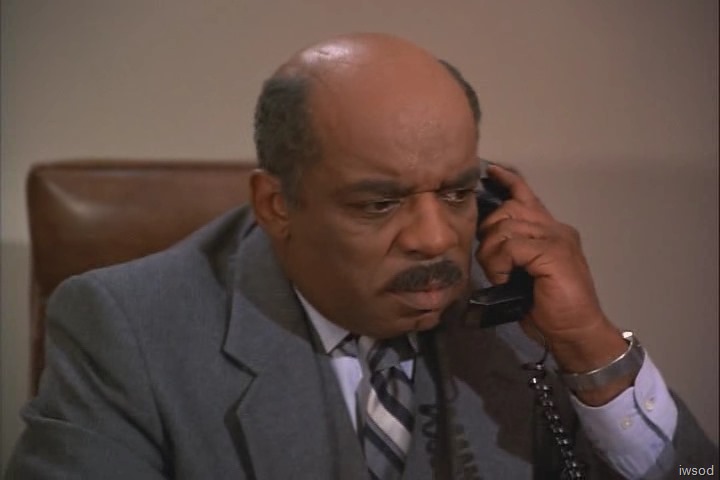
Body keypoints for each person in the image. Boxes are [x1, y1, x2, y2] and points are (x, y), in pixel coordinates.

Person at [5, 32, 717, 480]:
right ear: (276, 205)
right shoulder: (130, 328)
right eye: (379, 203)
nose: (434, 238)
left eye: (458, 192)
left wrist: (590, 347)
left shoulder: (515, 299)